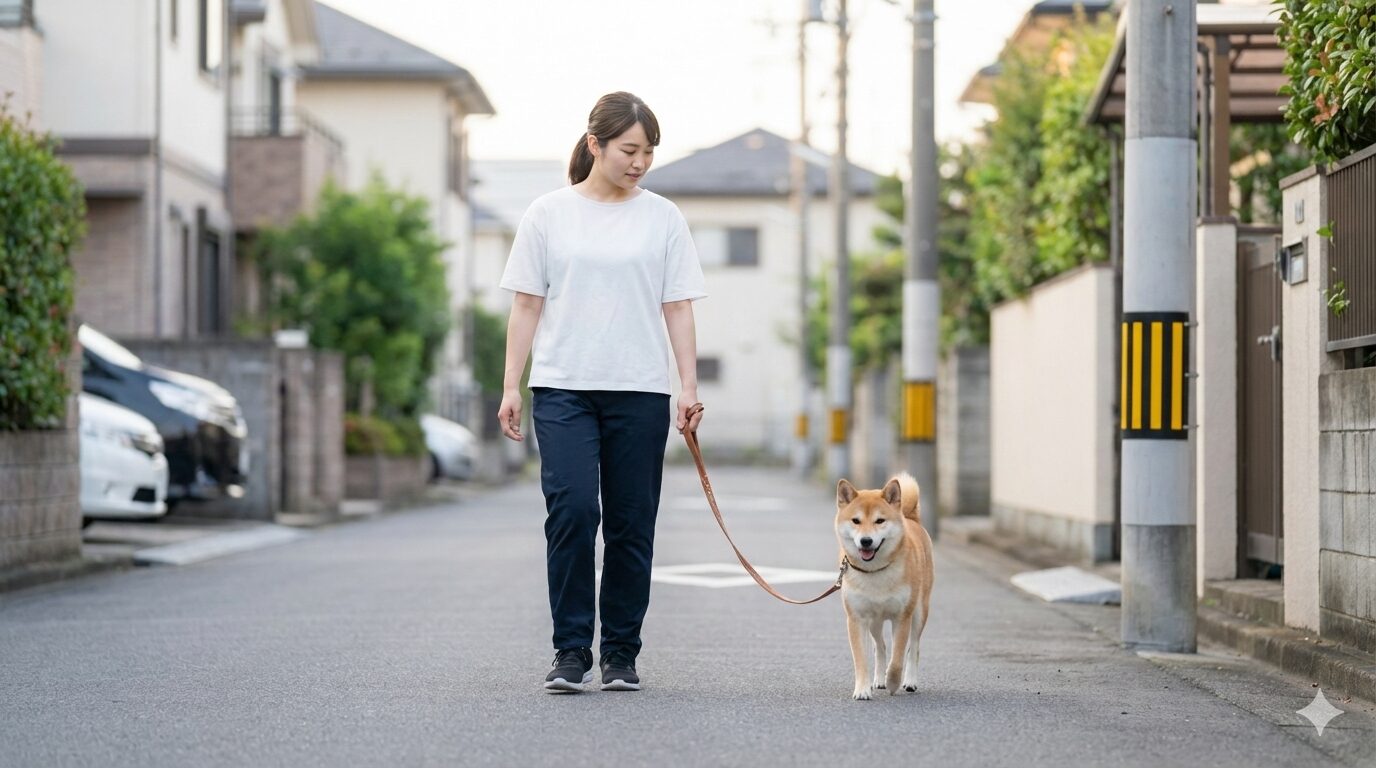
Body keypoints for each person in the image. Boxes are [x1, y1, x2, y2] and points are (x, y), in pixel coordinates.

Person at [497, 91, 707, 694]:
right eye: (628, 150)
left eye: (648, 152)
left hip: (639, 390)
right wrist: (510, 383)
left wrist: (686, 386)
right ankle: (569, 651)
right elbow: (526, 304)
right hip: (563, 387)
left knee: (631, 523)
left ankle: (619, 652)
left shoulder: (663, 217)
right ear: (596, 145)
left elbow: (678, 306)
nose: (639, 162)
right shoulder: (547, 213)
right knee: (572, 512)